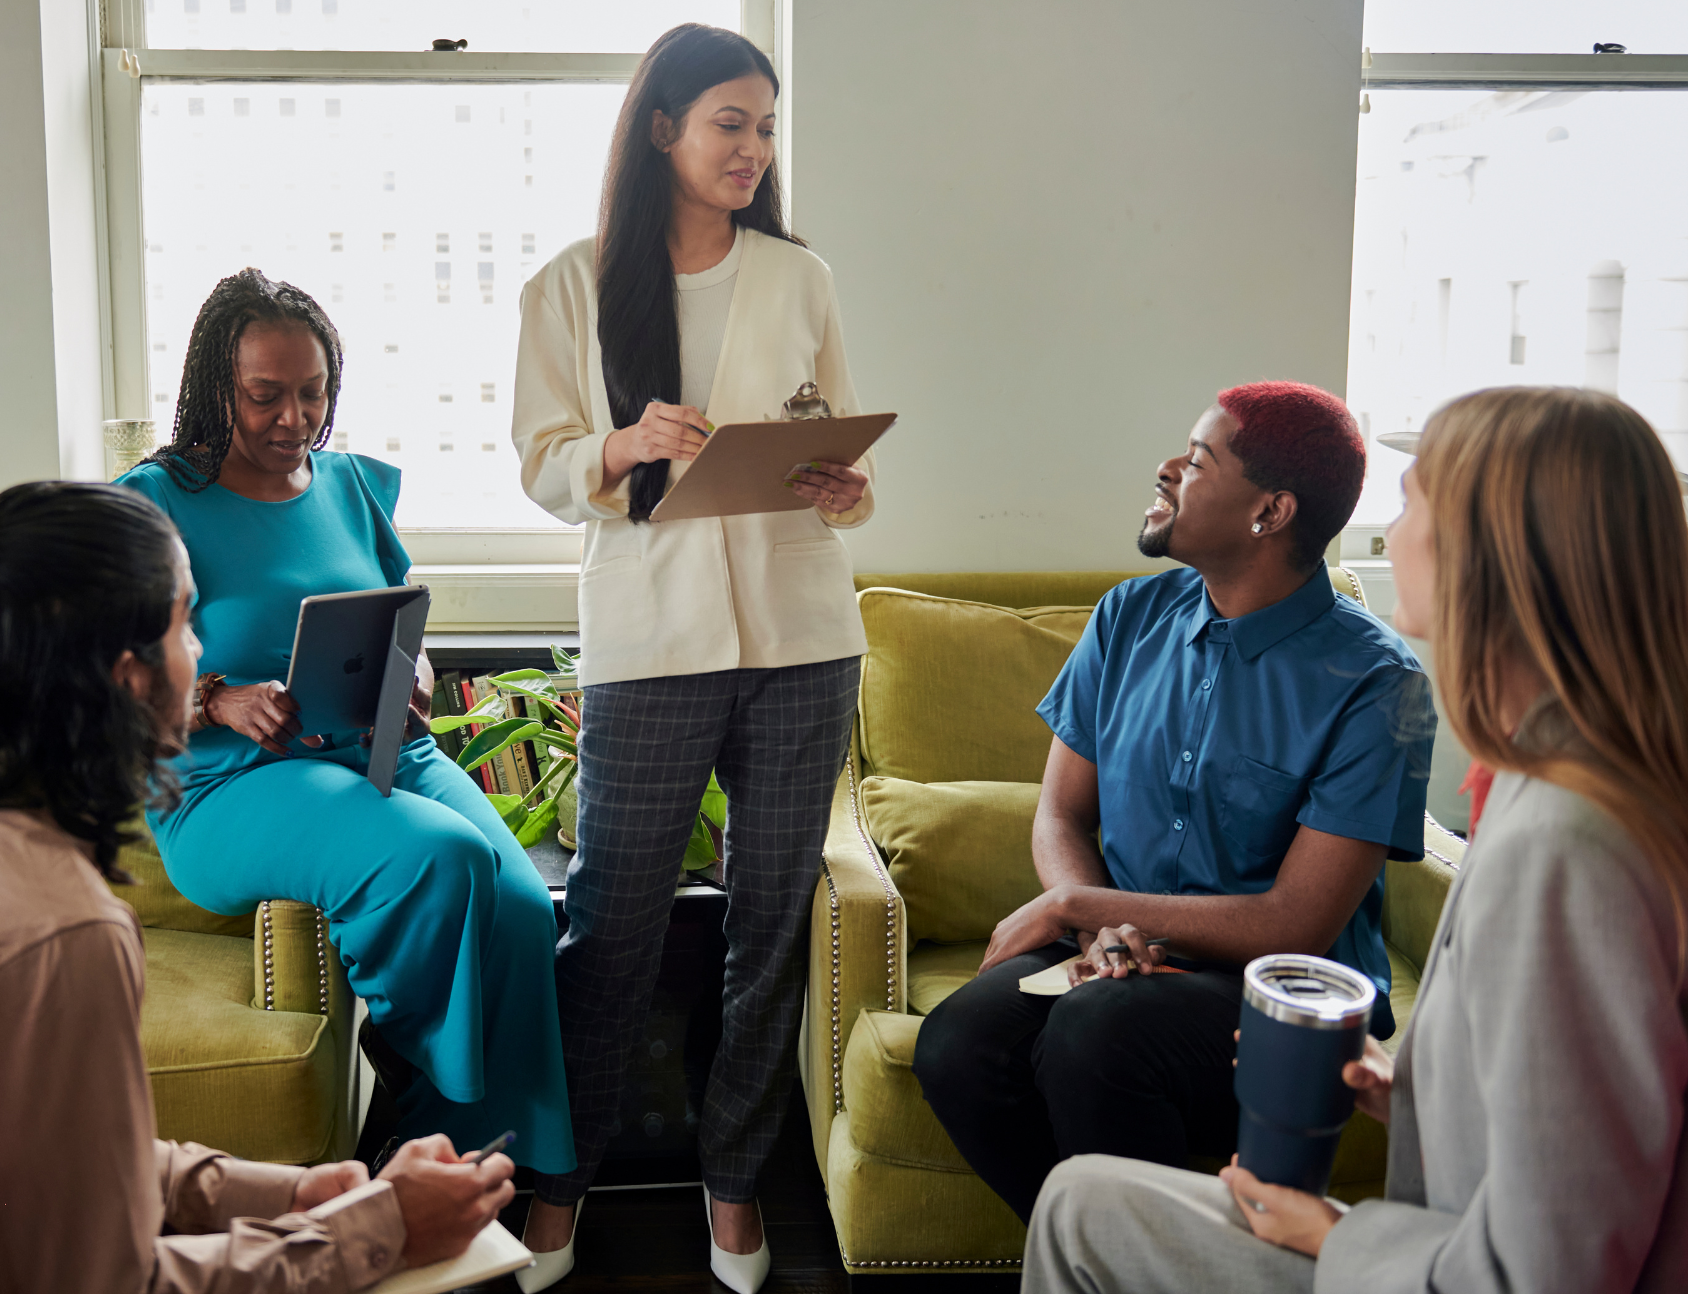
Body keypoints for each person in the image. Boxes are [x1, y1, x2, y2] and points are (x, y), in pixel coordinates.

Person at [0, 482, 515, 1291]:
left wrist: (293, 1194)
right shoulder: (54, 932)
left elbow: (59, 1152)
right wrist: (382, 1230)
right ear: (128, 677)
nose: (202, 657)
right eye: (188, 625)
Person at [1020, 386, 1688, 1293]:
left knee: (1078, 1207)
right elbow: (1561, 1104)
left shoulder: (1563, 847)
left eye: (1412, 504)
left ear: (1494, 557)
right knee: (1063, 1174)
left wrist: (1335, 1237)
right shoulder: (1551, 789)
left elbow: (1552, 1266)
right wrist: (1401, 1090)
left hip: (1422, 1264)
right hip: (1427, 1238)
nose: (1386, 532)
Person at [510, 23, 875, 1294]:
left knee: (767, 927)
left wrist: (840, 482)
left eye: (765, 128)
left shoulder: (800, 276)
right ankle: (558, 1180)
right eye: (729, 122)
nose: (752, 148)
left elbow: (843, 471)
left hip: (801, 637)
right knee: (608, 928)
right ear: (660, 128)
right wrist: (621, 445)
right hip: (649, 641)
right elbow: (546, 463)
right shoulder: (571, 283)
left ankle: (733, 1178)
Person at [912, 381, 1436, 1222]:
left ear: (1270, 512)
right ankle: (1107, 1262)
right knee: (958, 1045)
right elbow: (1060, 813)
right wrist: (1098, 930)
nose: (1166, 470)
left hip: (1275, 989)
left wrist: (1079, 903)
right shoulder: (1127, 616)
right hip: (1118, 949)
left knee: (1095, 1038)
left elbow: (1297, 920)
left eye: (1197, 461)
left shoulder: (1377, 683)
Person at [118, 269, 575, 1175]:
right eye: (265, 396)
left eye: (312, 392)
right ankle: (437, 1134)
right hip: (230, 784)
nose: (294, 418)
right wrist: (217, 697)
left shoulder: (349, 486)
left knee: (524, 907)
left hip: (381, 748)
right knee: (441, 863)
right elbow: (103, 664)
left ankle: (519, 1162)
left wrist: (415, 674)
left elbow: (402, 617)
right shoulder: (156, 500)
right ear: (218, 388)